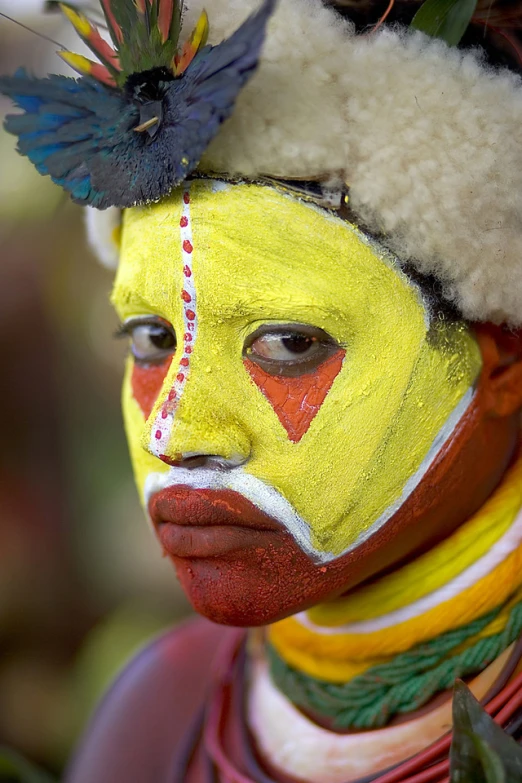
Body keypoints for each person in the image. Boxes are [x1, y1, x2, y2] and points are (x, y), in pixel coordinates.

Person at [1, 1, 522, 781]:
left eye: (289, 344)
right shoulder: (154, 716)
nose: (174, 433)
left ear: (502, 361)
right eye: (151, 339)